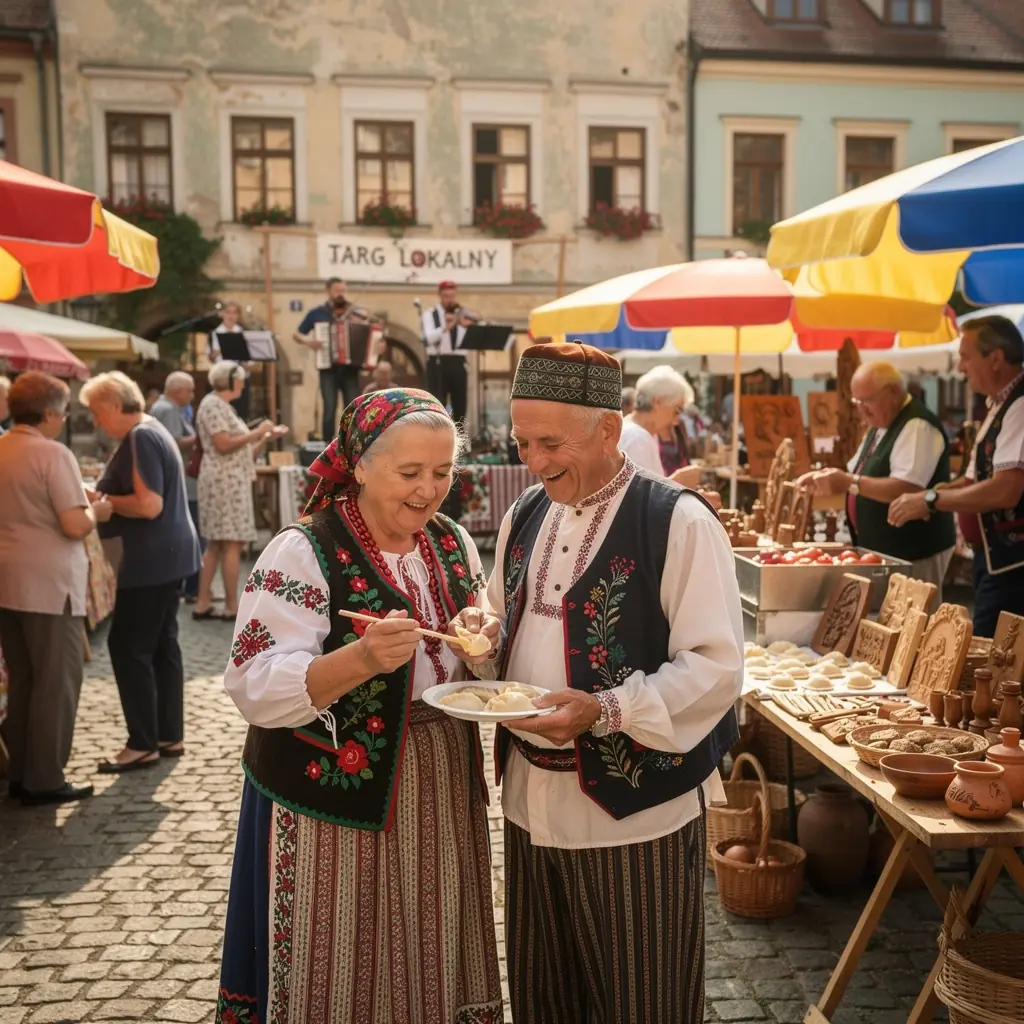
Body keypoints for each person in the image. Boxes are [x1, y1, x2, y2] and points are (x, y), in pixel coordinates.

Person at [215, 388, 503, 1024]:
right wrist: (362, 660)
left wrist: (483, 635)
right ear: (360, 464)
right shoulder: (301, 549)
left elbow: (475, 651)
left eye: (442, 472)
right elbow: (253, 684)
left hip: (441, 780)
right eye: (410, 473)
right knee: (341, 941)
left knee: (434, 935)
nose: (429, 490)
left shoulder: (451, 541)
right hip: (332, 797)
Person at [477, 342, 742, 1023]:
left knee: (642, 1002)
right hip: (530, 806)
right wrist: (480, 639)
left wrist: (605, 710)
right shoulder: (524, 516)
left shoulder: (676, 520)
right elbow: (504, 622)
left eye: (549, 443)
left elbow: (716, 667)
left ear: (608, 429)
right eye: (523, 442)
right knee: (544, 1001)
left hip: (634, 814)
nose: (533, 461)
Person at [79, 371, 202, 772]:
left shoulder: (141, 436)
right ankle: (168, 735)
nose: (97, 422)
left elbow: (148, 505)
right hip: (167, 556)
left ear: (115, 405)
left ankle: (142, 743)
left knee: (128, 647)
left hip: (150, 561)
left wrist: (103, 501)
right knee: (163, 646)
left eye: (98, 412)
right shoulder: (150, 430)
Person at [0, 372, 111, 805]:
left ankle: (22, 772)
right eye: (64, 412)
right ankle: (44, 778)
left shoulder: (3, 446)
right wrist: (97, 511)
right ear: (49, 413)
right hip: (49, 583)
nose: (64, 420)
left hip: (8, 581)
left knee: (25, 680)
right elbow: (73, 523)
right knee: (56, 682)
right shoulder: (52, 453)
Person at [890, 316, 1024, 637]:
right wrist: (933, 493)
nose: (960, 368)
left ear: (995, 358)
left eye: (966, 356)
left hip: (1012, 568)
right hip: (995, 564)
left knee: (992, 665)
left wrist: (933, 500)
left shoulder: (1019, 406)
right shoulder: (1001, 404)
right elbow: (974, 480)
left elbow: (1006, 490)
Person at [801, 362, 955, 596]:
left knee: (916, 622)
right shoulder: (882, 423)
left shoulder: (916, 425)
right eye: (857, 402)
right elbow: (860, 472)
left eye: (866, 400)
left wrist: (847, 482)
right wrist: (827, 477)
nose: (861, 410)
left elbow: (906, 488)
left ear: (892, 392)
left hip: (914, 552)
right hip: (889, 552)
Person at [194, 361, 288, 620]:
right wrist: (258, 431)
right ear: (230, 380)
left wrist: (264, 439)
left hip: (228, 480)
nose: (244, 384)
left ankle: (204, 602)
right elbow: (223, 444)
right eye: (241, 379)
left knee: (217, 544)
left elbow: (242, 451)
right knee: (230, 543)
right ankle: (231, 605)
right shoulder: (213, 405)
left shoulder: (220, 406)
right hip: (224, 482)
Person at [150, 372, 205, 602]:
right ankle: (191, 587)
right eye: (190, 390)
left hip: (175, 480)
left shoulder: (163, 408)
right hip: (182, 479)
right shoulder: (169, 409)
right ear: (177, 390)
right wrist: (200, 437)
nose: (192, 396)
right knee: (196, 535)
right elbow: (173, 441)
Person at [295, 278, 371, 439]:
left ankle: (350, 444)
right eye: (337, 291)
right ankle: (327, 448)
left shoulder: (355, 312)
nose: (341, 294)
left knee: (352, 408)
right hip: (327, 368)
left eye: (343, 291)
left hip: (350, 369)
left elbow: (370, 333)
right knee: (329, 409)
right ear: (328, 291)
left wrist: (376, 345)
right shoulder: (317, 313)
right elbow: (297, 334)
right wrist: (309, 341)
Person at [621, 364, 705, 488]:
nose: (677, 420)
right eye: (677, 410)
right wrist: (677, 482)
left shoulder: (637, 431)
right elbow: (640, 499)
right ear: (657, 402)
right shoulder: (638, 437)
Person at [422, 279, 469, 423]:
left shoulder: (462, 314)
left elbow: (466, 339)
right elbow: (428, 338)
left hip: (458, 361)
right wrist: (445, 328)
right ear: (440, 295)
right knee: (437, 402)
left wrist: (466, 325)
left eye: (452, 296)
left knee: (460, 403)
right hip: (437, 362)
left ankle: (460, 436)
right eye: (446, 296)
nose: (450, 300)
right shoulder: (430, 314)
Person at [209, 301, 250, 419]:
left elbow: (250, 362)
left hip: (240, 378)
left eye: (234, 313)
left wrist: (246, 361)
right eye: (228, 312)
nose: (231, 316)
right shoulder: (215, 334)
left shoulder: (243, 334)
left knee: (241, 414)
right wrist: (215, 354)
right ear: (222, 314)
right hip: (223, 380)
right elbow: (211, 358)